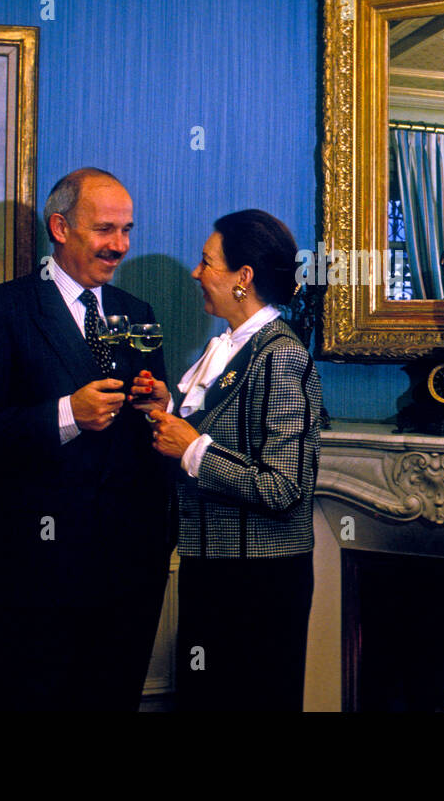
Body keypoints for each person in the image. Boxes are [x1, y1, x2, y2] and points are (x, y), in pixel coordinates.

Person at [0, 168, 173, 711]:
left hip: (131, 571)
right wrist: (68, 412)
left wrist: (160, 406)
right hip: (39, 573)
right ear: (60, 227)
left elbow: (146, 439)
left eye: (128, 230)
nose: (120, 246)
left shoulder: (138, 313)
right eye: (105, 230)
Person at [135, 209, 322, 711]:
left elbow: (283, 489)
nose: (197, 272)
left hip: (258, 584)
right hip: (215, 571)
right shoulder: (234, 347)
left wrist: (192, 448)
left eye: (207, 262)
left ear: (244, 278)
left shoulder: (281, 355)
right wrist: (165, 414)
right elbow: (219, 434)